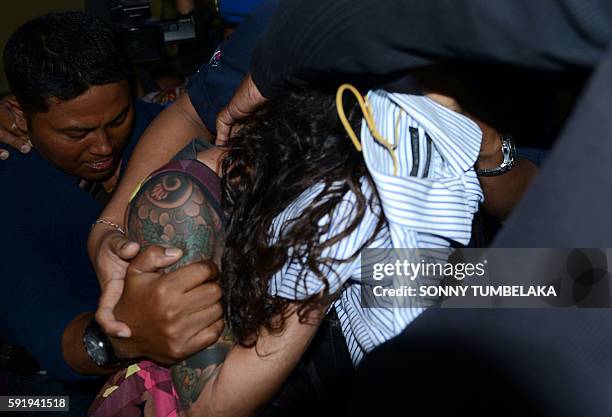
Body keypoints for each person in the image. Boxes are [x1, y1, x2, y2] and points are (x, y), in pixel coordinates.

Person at [0, 12, 222, 415]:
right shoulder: (8, 185)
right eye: (76, 133)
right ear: (17, 114)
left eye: (117, 119)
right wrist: (130, 338)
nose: (103, 146)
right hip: (38, 391)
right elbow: (53, 335)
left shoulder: (164, 129)